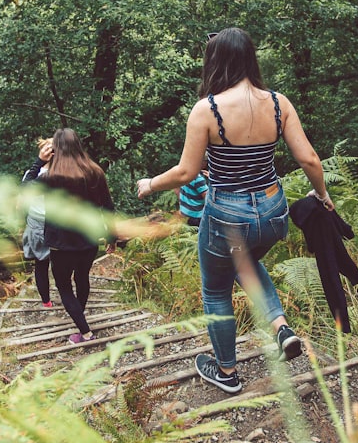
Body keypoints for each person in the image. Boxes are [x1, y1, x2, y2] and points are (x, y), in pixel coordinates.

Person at [136, 27, 334, 395]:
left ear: (215, 62)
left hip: (228, 213)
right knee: (245, 263)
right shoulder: (279, 103)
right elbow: (308, 157)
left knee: (215, 289)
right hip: (274, 209)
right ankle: (280, 326)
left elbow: (186, 172)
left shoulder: (207, 110)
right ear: (250, 58)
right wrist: (321, 194)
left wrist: (150, 184)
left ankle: (226, 371)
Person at [43, 128, 115, 344]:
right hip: (89, 240)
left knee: (64, 286)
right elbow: (108, 207)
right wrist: (111, 236)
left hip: (61, 243)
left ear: (56, 148)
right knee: (82, 278)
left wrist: (39, 162)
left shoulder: (51, 176)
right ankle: (79, 317)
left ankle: (85, 332)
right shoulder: (95, 172)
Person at [20, 138, 55, 308]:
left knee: (41, 266)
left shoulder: (32, 174)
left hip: (36, 224)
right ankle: (70, 298)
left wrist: (39, 162)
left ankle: (46, 302)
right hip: (57, 225)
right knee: (63, 266)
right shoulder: (64, 175)